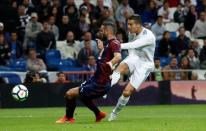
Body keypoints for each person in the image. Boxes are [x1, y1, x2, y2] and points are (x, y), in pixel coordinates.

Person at [55, 22, 122, 123]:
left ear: (107, 31)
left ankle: (69, 118)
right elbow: (105, 59)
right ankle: (98, 114)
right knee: (81, 97)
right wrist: (102, 49)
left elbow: (118, 56)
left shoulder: (114, 43)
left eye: (102, 30)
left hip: (101, 83)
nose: (101, 32)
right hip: (96, 79)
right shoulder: (108, 44)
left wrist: (110, 63)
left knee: (69, 94)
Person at [108, 15, 156, 121]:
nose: (128, 26)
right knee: (119, 68)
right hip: (134, 58)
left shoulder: (149, 36)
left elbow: (133, 45)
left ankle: (115, 112)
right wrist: (129, 60)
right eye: (127, 24)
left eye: (130, 24)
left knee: (126, 92)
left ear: (138, 25)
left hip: (145, 65)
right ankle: (106, 89)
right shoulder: (131, 33)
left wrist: (112, 46)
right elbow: (132, 50)